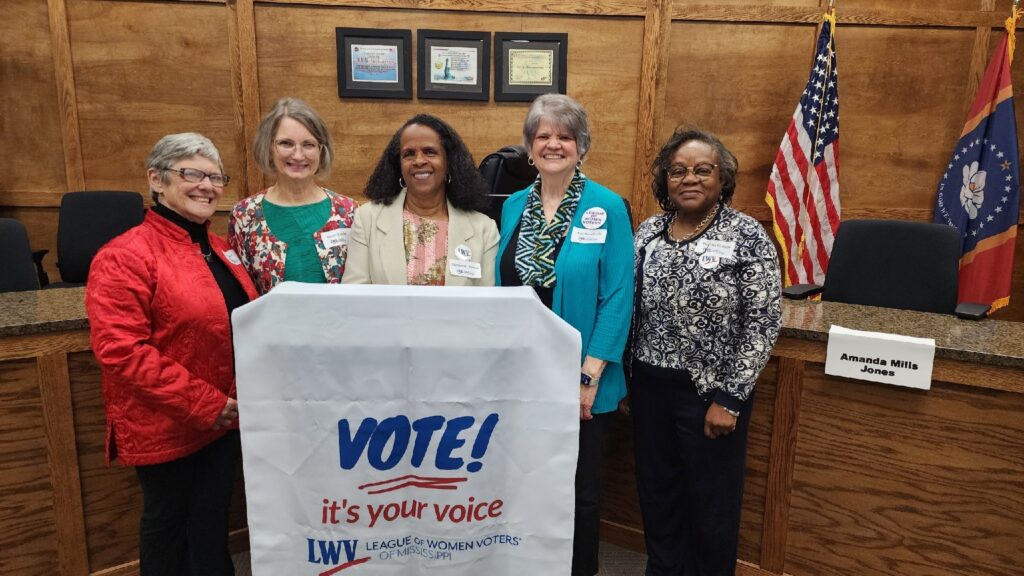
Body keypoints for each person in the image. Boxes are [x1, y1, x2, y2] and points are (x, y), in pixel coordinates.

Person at [86, 133, 258, 576]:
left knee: (211, 522)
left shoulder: (221, 249)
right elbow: (121, 351)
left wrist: (232, 401)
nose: (207, 185)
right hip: (167, 421)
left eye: (215, 176)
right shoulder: (124, 255)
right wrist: (207, 404)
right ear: (156, 181)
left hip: (225, 419)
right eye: (192, 173)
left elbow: (244, 327)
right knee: (168, 526)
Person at [629, 128, 781, 575]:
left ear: (722, 178)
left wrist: (731, 398)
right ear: (665, 180)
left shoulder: (745, 234)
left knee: (711, 506)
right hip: (649, 387)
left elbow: (763, 320)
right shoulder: (649, 232)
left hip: (710, 395)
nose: (689, 178)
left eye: (702, 169)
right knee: (658, 496)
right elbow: (628, 307)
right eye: (678, 171)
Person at [495, 94, 633, 576]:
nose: (554, 144)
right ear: (529, 148)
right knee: (526, 482)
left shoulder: (607, 206)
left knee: (578, 491)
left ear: (581, 146)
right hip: (522, 377)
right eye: (543, 136)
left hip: (581, 378)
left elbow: (618, 296)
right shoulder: (513, 206)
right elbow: (503, 286)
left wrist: (589, 375)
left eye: (565, 136)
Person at [342, 114, 498, 286]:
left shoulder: (484, 229)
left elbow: (486, 304)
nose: (419, 161)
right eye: (409, 154)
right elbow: (354, 296)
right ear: (398, 166)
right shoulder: (368, 219)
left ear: (449, 162)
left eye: (430, 152)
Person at [228, 97, 358, 294]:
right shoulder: (244, 215)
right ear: (270, 147)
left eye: (308, 145)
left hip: (340, 324)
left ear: (321, 151)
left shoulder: (349, 212)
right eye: (286, 143)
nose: (298, 155)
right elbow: (241, 293)